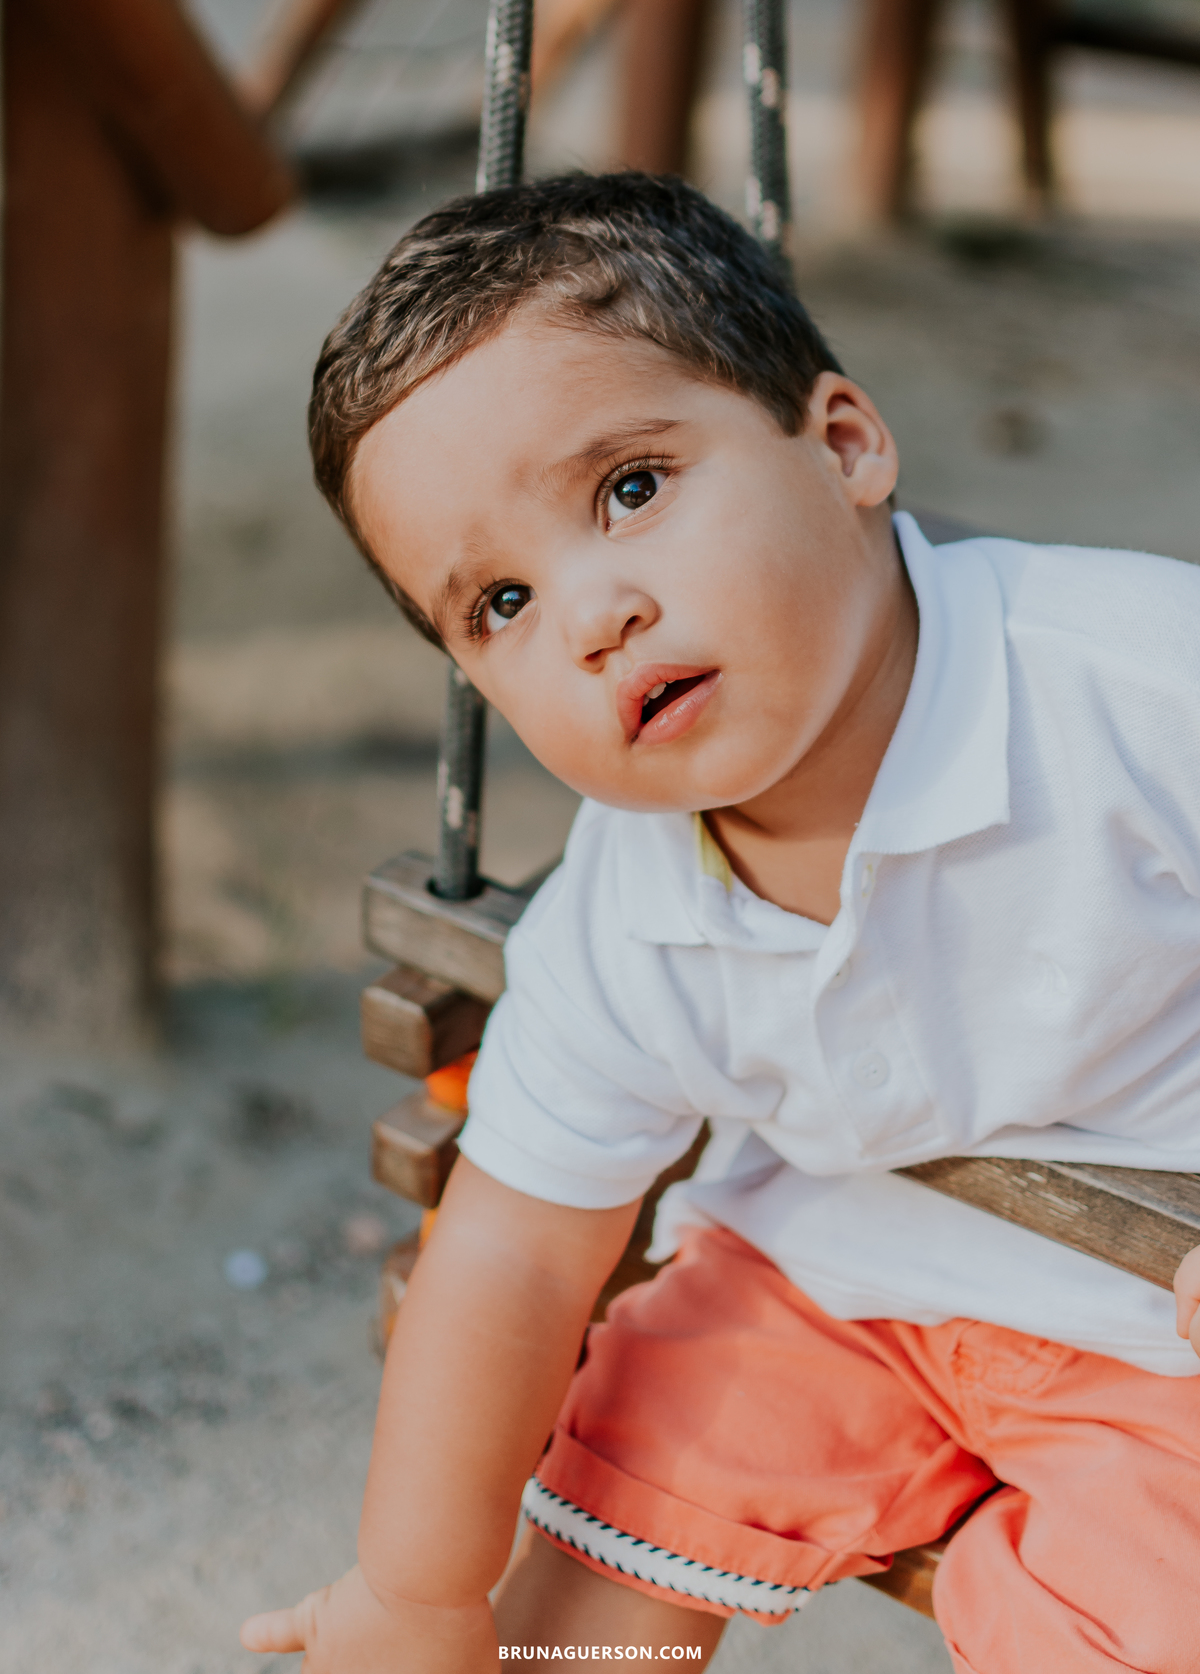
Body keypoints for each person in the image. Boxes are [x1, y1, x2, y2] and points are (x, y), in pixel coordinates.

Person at [240, 173, 1200, 1674]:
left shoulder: (1136, 689)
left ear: (844, 446)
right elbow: (509, 1257)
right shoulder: (626, 912)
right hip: (822, 1273)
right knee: (599, 1556)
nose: (590, 615)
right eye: (498, 602)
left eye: (630, 488)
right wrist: (416, 1590)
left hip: (1158, 1321)